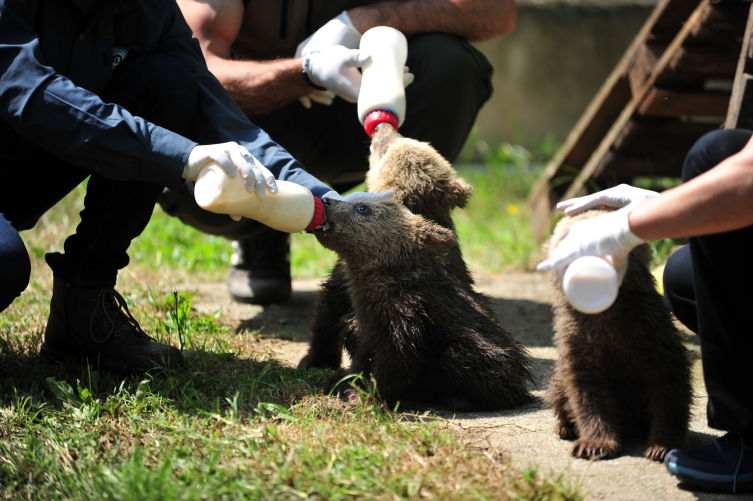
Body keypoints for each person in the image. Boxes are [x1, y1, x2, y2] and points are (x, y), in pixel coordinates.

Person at [0, 0, 377, 373]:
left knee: (168, 81)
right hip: (21, 137)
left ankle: (83, 310)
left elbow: (218, 112)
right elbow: (26, 90)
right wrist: (184, 155)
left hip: (31, 168)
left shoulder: (151, 10)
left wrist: (328, 203)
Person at [161, 0, 516, 305]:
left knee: (448, 62)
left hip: (352, 109)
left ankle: (394, 251)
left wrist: (359, 20)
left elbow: (497, 11)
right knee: (166, 88)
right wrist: (304, 73)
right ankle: (263, 233)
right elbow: (195, 68)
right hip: (248, 125)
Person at [538, 128, 753, 493]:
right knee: (683, 276)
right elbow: (583, 380)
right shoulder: (571, 320)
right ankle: (605, 430)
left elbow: (669, 377)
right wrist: (660, 202)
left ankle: (747, 440)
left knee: (709, 154)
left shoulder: (643, 307)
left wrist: (628, 227)